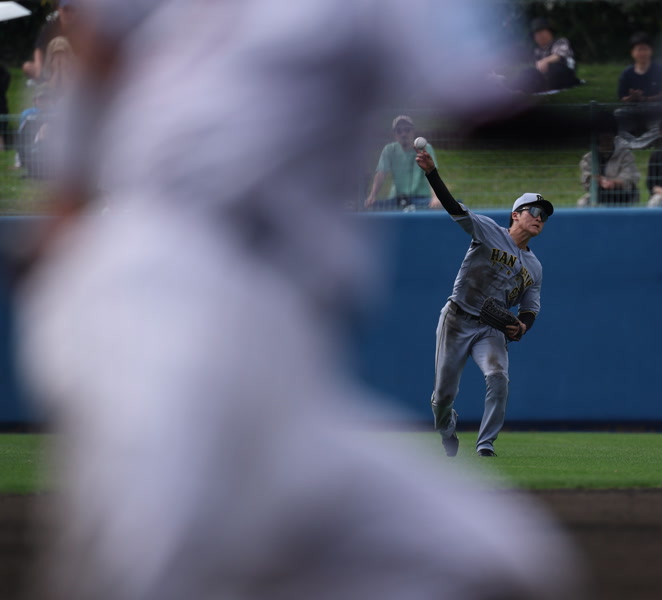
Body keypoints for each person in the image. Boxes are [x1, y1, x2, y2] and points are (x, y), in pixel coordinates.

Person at [16, 1, 584, 599]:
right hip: (166, 281)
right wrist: (69, 196)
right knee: (160, 555)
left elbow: (96, 27)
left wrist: (67, 198)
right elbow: (486, 113)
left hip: (279, 342)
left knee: (494, 564)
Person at [414, 148, 551, 458]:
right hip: (456, 318)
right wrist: (431, 173)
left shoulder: (535, 267)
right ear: (515, 214)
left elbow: (531, 307)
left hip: (490, 328)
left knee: (498, 376)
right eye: (534, 211)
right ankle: (447, 429)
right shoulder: (488, 230)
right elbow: (454, 209)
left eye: (544, 216)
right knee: (443, 396)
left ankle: (485, 443)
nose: (539, 218)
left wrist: (522, 326)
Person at [365, 115, 439, 211]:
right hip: (397, 198)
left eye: (407, 130)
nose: (403, 134)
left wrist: (435, 197)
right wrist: (372, 196)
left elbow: (431, 173)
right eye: (399, 131)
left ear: (413, 131)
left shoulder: (425, 148)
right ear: (394, 134)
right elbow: (381, 173)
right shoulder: (389, 149)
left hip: (422, 198)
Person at [615, 32, 662, 149]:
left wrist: (645, 98)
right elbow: (622, 97)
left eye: (645, 49)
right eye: (639, 50)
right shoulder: (627, 73)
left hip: (654, 110)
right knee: (616, 117)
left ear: (651, 51)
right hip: (632, 109)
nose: (642, 53)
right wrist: (632, 97)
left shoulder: (660, 70)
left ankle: (634, 145)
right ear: (632, 52)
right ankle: (637, 143)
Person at [510, 17, 579, 94]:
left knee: (553, 69)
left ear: (550, 32)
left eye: (542, 33)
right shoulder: (538, 50)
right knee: (527, 73)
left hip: (564, 73)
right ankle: (511, 87)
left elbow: (559, 55)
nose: (540, 36)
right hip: (545, 77)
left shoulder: (560, 42)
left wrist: (545, 61)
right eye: (537, 35)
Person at [577, 130, 640, 207]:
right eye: (603, 139)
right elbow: (586, 180)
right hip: (599, 194)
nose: (606, 142)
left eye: (609, 139)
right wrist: (599, 180)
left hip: (624, 194)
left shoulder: (626, 155)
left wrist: (613, 183)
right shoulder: (588, 158)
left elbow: (629, 177)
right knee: (582, 204)